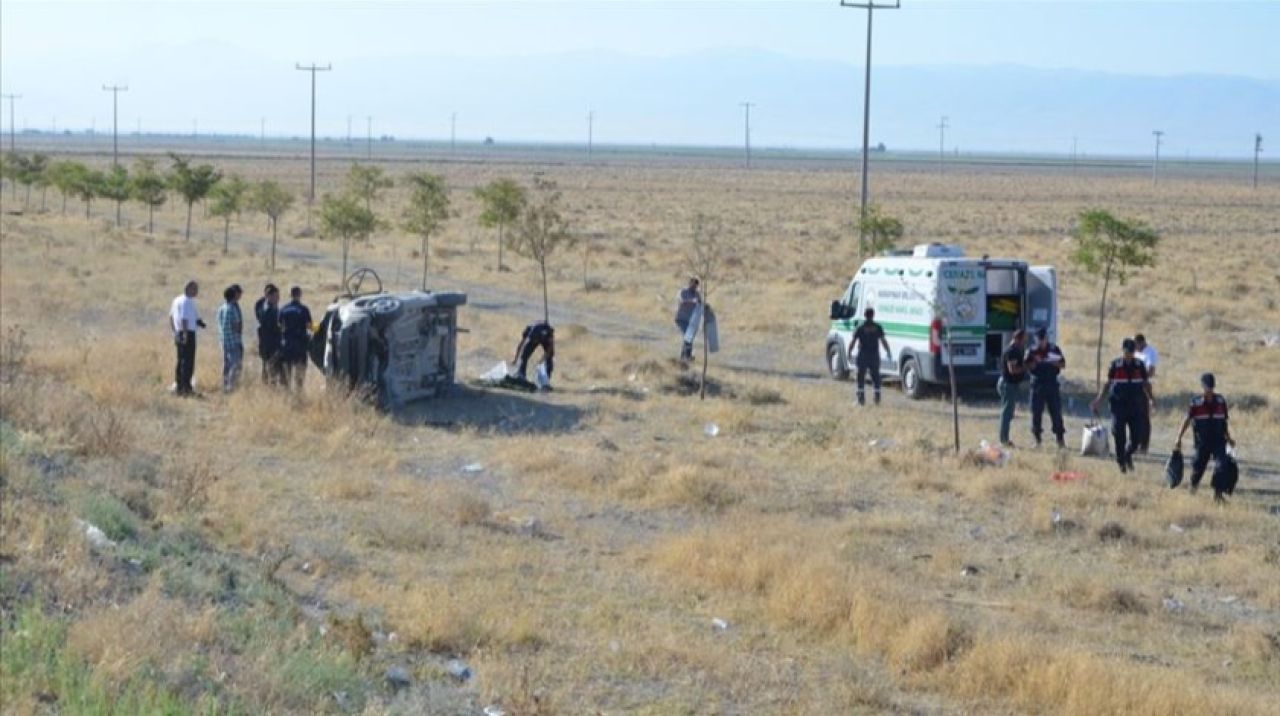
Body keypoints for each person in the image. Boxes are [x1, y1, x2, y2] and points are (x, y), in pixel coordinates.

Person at [1090, 338, 1154, 473]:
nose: (1129, 355)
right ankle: (1121, 463)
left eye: (1131, 352)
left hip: (1135, 405)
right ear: (1123, 351)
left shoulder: (1140, 365)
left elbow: (1146, 384)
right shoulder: (1115, 365)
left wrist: (1151, 399)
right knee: (1119, 435)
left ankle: (1127, 454)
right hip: (1118, 406)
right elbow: (1107, 384)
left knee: (1137, 437)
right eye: (1127, 353)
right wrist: (1098, 400)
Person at [1175, 373, 1235, 500]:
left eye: (1211, 388)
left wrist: (1229, 438)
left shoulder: (1220, 401)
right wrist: (1179, 437)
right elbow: (1187, 420)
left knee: (1222, 465)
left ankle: (1218, 494)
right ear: (1202, 387)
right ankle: (1193, 487)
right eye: (1207, 388)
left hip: (1219, 441)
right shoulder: (1195, 403)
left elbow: (1223, 422)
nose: (1209, 391)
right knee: (1198, 467)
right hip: (1202, 442)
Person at [1026, 327, 1066, 448]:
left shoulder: (1054, 349)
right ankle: (1037, 440)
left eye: (1043, 339)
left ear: (1046, 338)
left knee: (1056, 412)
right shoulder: (1032, 351)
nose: (1041, 342)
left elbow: (1063, 364)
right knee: (1036, 413)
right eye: (1039, 339)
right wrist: (1036, 362)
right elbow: (1027, 366)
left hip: (1051, 384)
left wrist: (1052, 361)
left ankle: (1060, 439)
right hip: (1037, 384)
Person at [169, 280, 206, 397]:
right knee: (188, 361)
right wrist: (185, 334)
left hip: (178, 332)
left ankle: (179, 386)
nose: (197, 291)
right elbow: (184, 319)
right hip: (187, 333)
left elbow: (171, 317)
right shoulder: (187, 301)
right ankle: (186, 388)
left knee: (180, 360)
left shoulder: (177, 300)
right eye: (195, 289)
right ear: (189, 289)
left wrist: (175, 332)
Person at [847, 307, 890, 406]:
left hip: (863, 354)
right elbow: (883, 340)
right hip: (874, 355)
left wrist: (849, 352)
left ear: (865, 315)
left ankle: (861, 399)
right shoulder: (878, 327)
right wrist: (888, 350)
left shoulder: (860, 327)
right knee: (876, 376)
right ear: (873, 315)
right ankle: (877, 398)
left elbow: (853, 341)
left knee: (860, 377)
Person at [997, 329, 1031, 447]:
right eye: (1023, 340)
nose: (1024, 343)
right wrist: (1027, 367)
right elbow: (1013, 370)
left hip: (1011, 384)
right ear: (1017, 339)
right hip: (1008, 384)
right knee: (1006, 413)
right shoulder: (1011, 352)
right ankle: (1004, 440)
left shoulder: (1017, 350)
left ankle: (1004, 438)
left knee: (1009, 412)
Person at [278, 286, 313, 393]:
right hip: (300, 345)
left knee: (286, 373)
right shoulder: (303, 309)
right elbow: (310, 326)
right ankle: (299, 393)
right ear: (300, 294)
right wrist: (319, 327)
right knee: (299, 374)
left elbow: (279, 325)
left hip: (287, 345)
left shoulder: (283, 309)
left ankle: (286, 394)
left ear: (291, 295)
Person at [216, 284, 244, 393]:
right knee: (235, 365)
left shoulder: (221, 308)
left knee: (226, 365)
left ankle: (225, 385)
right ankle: (232, 387)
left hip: (224, 341)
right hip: (234, 341)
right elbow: (236, 325)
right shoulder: (233, 309)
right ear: (235, 295)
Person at [1133, 333, 1159, 453]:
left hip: (1143, 386)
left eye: (1136, 345)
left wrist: (1140, 376)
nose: (1135, 348)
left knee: (1143, 417)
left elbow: (1151, 371)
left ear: (1141, 343)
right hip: (1132, 386)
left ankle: (1144, 445)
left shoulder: (1150, 353)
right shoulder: (1135, 352)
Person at [254, 284, 283, 385]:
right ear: (269, 296)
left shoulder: (263, 307)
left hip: (265, 344)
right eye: (276, 296)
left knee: (266, 367)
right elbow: (274, 328)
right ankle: (270, 388)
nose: (278, 298)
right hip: (271, 344)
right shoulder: (269, 311)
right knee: (272, 368)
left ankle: (267, 387)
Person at [512, 320, 555, 391]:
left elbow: (550, 349)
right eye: (533, 339)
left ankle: (546, 381)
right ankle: (521, 374)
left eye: (535, 340)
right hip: (536, 333)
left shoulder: (548, 333)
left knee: (550, 358)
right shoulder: (529, 331)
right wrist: (515, 359)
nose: (535, 341)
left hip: (544, 338)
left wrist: (542, 360)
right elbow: (521, 345)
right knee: (524, 355)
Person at [674, 277, 701, 362]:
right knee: (688, 336)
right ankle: (687, 356)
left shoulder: (697, 294)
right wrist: (692, 301)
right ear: (689, 283)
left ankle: (684, 356)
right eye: (693, 285)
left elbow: (700, 304)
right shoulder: (683, 292)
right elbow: (682, 301)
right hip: (681, 318)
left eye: (695, 286)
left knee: (689, 337)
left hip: (690, 320)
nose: (694, 287)